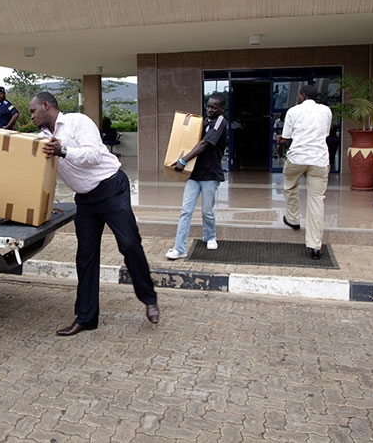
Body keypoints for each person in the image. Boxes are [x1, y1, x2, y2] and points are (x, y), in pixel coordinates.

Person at [28, 91, 159, 336]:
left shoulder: (78, 122)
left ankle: (149, 298)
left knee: (129, 244)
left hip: (111, 188)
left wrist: (63, 150)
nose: (32, 116)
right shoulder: (43, 138)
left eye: (34, 111)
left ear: (46, 105)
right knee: (85, 256)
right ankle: (86, 317)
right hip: (85, 200)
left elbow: (94, 155)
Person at [165, 95, 228, 260]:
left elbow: (204, 144)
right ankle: (179, 248)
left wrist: (183, 160)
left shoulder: (220, 122)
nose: (210, 110)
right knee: (186, 211)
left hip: (210, 175)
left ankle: (210, 236)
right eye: (208, 106)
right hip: (194, 175)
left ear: (222, 109)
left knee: (207, 211)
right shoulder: (203, 122)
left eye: (214, 107)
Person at [275, 84, 333, 260]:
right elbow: (326, 132)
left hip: (297, 158)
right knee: (316, 200)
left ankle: (292, 219)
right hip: (319, 160)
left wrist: (279, 139)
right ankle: (315, 246)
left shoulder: (293, 111)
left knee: (290, 185)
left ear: (302, 96)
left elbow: (286, 137)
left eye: (299, 95)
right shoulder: (326, 111)